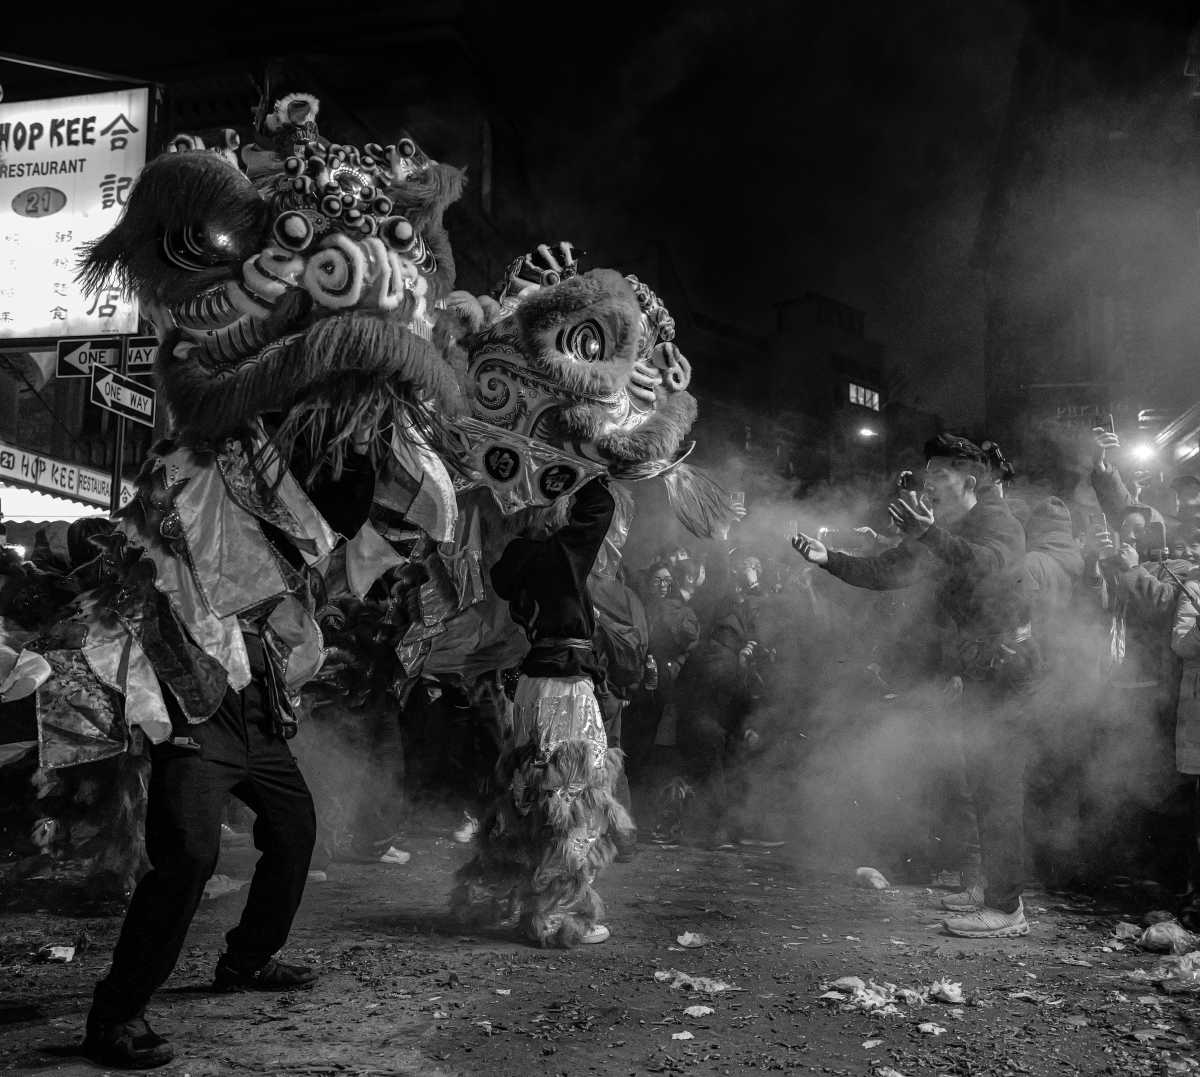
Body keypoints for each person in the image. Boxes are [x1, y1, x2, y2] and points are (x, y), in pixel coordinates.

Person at [793, 433, 1035, 939]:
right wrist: (829, 558)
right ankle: (990, 888)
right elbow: (889, 571)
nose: (928, 482)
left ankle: (1007, 908)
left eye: (939, 474)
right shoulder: (941, 528)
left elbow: (986, 565)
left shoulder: (998, 521)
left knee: (999, 788)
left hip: (1008, 667)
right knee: (979, 782)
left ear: (967, 480)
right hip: (976, 667)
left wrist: (929, 535)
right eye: (926, 473)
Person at [83, 629, 319, 1069]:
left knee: (295, 831)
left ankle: (247, 960)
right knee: (188, 856)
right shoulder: (171, 563)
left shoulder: (267, 568)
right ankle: (115, 1015)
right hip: (197, 724)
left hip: (259, 722)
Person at [450, 477, 633, 947]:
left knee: (528, 795)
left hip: (532, 685)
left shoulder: (516, 558)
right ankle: (555, 917)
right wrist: (585, 467)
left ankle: (510, 902)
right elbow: (599, 511)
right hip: (564, 688)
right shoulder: (558, 558)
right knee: (571, 798)